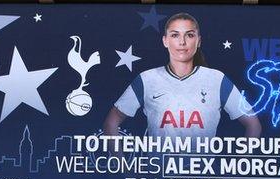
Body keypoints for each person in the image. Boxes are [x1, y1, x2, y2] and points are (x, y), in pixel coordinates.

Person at [104, 12, 261, 142]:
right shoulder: (147, 79)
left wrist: (238, 164)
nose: (182, 42)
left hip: (204, 178)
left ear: (198, 41)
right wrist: (122, 167)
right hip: (157, 176)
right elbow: (111, 122)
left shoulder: (216, 79)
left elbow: (253, 124)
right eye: (175, 35)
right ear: (165, 41)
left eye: (190, 35)